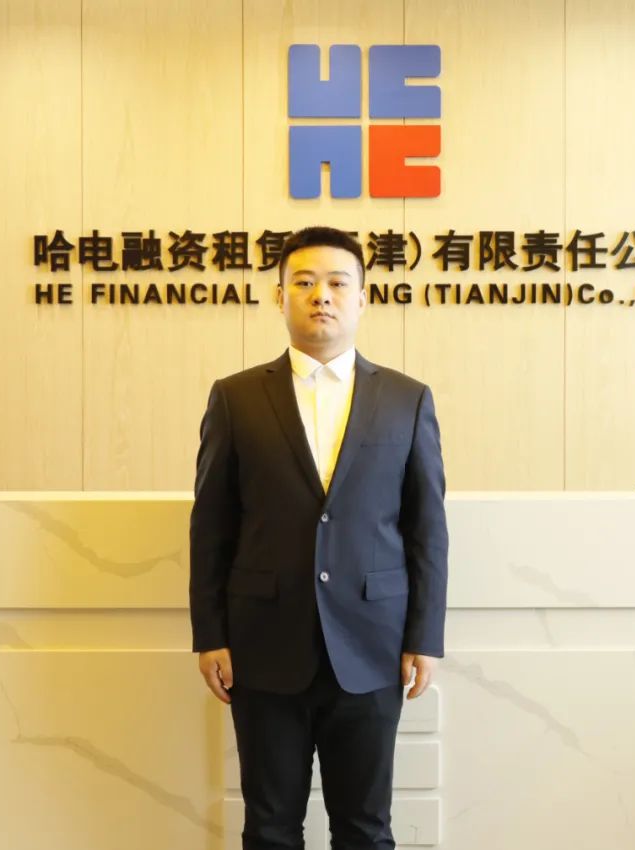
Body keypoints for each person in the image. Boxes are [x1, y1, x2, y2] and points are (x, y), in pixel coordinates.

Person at [189, 225, 448, 850]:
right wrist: (210, 633)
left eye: (337, 282)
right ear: (280, 297)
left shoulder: (407, 400)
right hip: (263, 647)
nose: (321, 296)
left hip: (373, 646)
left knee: (366, 829)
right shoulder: (236, 398)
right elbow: (212, 525)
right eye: (303, 282)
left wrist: (424, 636)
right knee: (270, 828)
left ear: (363, 297)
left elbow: (427, 530)